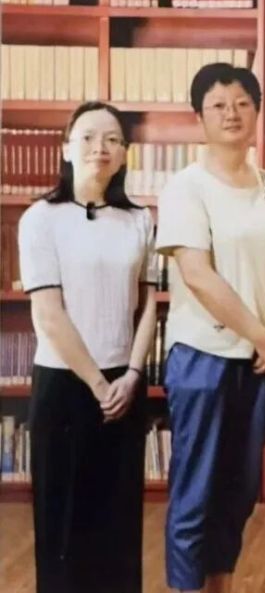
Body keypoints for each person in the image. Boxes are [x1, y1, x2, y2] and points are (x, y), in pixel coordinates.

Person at [156, 63, 265, 593]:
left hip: (263, 362)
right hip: (205, 356)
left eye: (242, 102)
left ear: (258, 111)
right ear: (200, 117)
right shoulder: (186, 187)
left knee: (237, 494)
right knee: (196, 493)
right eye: (218, 105)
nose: (232, 113)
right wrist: (263, 337)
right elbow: (197, 274)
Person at [18, 101, 157, 593]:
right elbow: (48, 315)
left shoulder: (139, 219)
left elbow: (148, 304)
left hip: (124, 385)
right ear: (66, 149)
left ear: (124, 154)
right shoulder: (41, 218)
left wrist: (133, 374)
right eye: (89, 137)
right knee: (63, 525)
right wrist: (99, 385)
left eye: (113, 139)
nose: (101, 147)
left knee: (118, 526)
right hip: (66, 386)